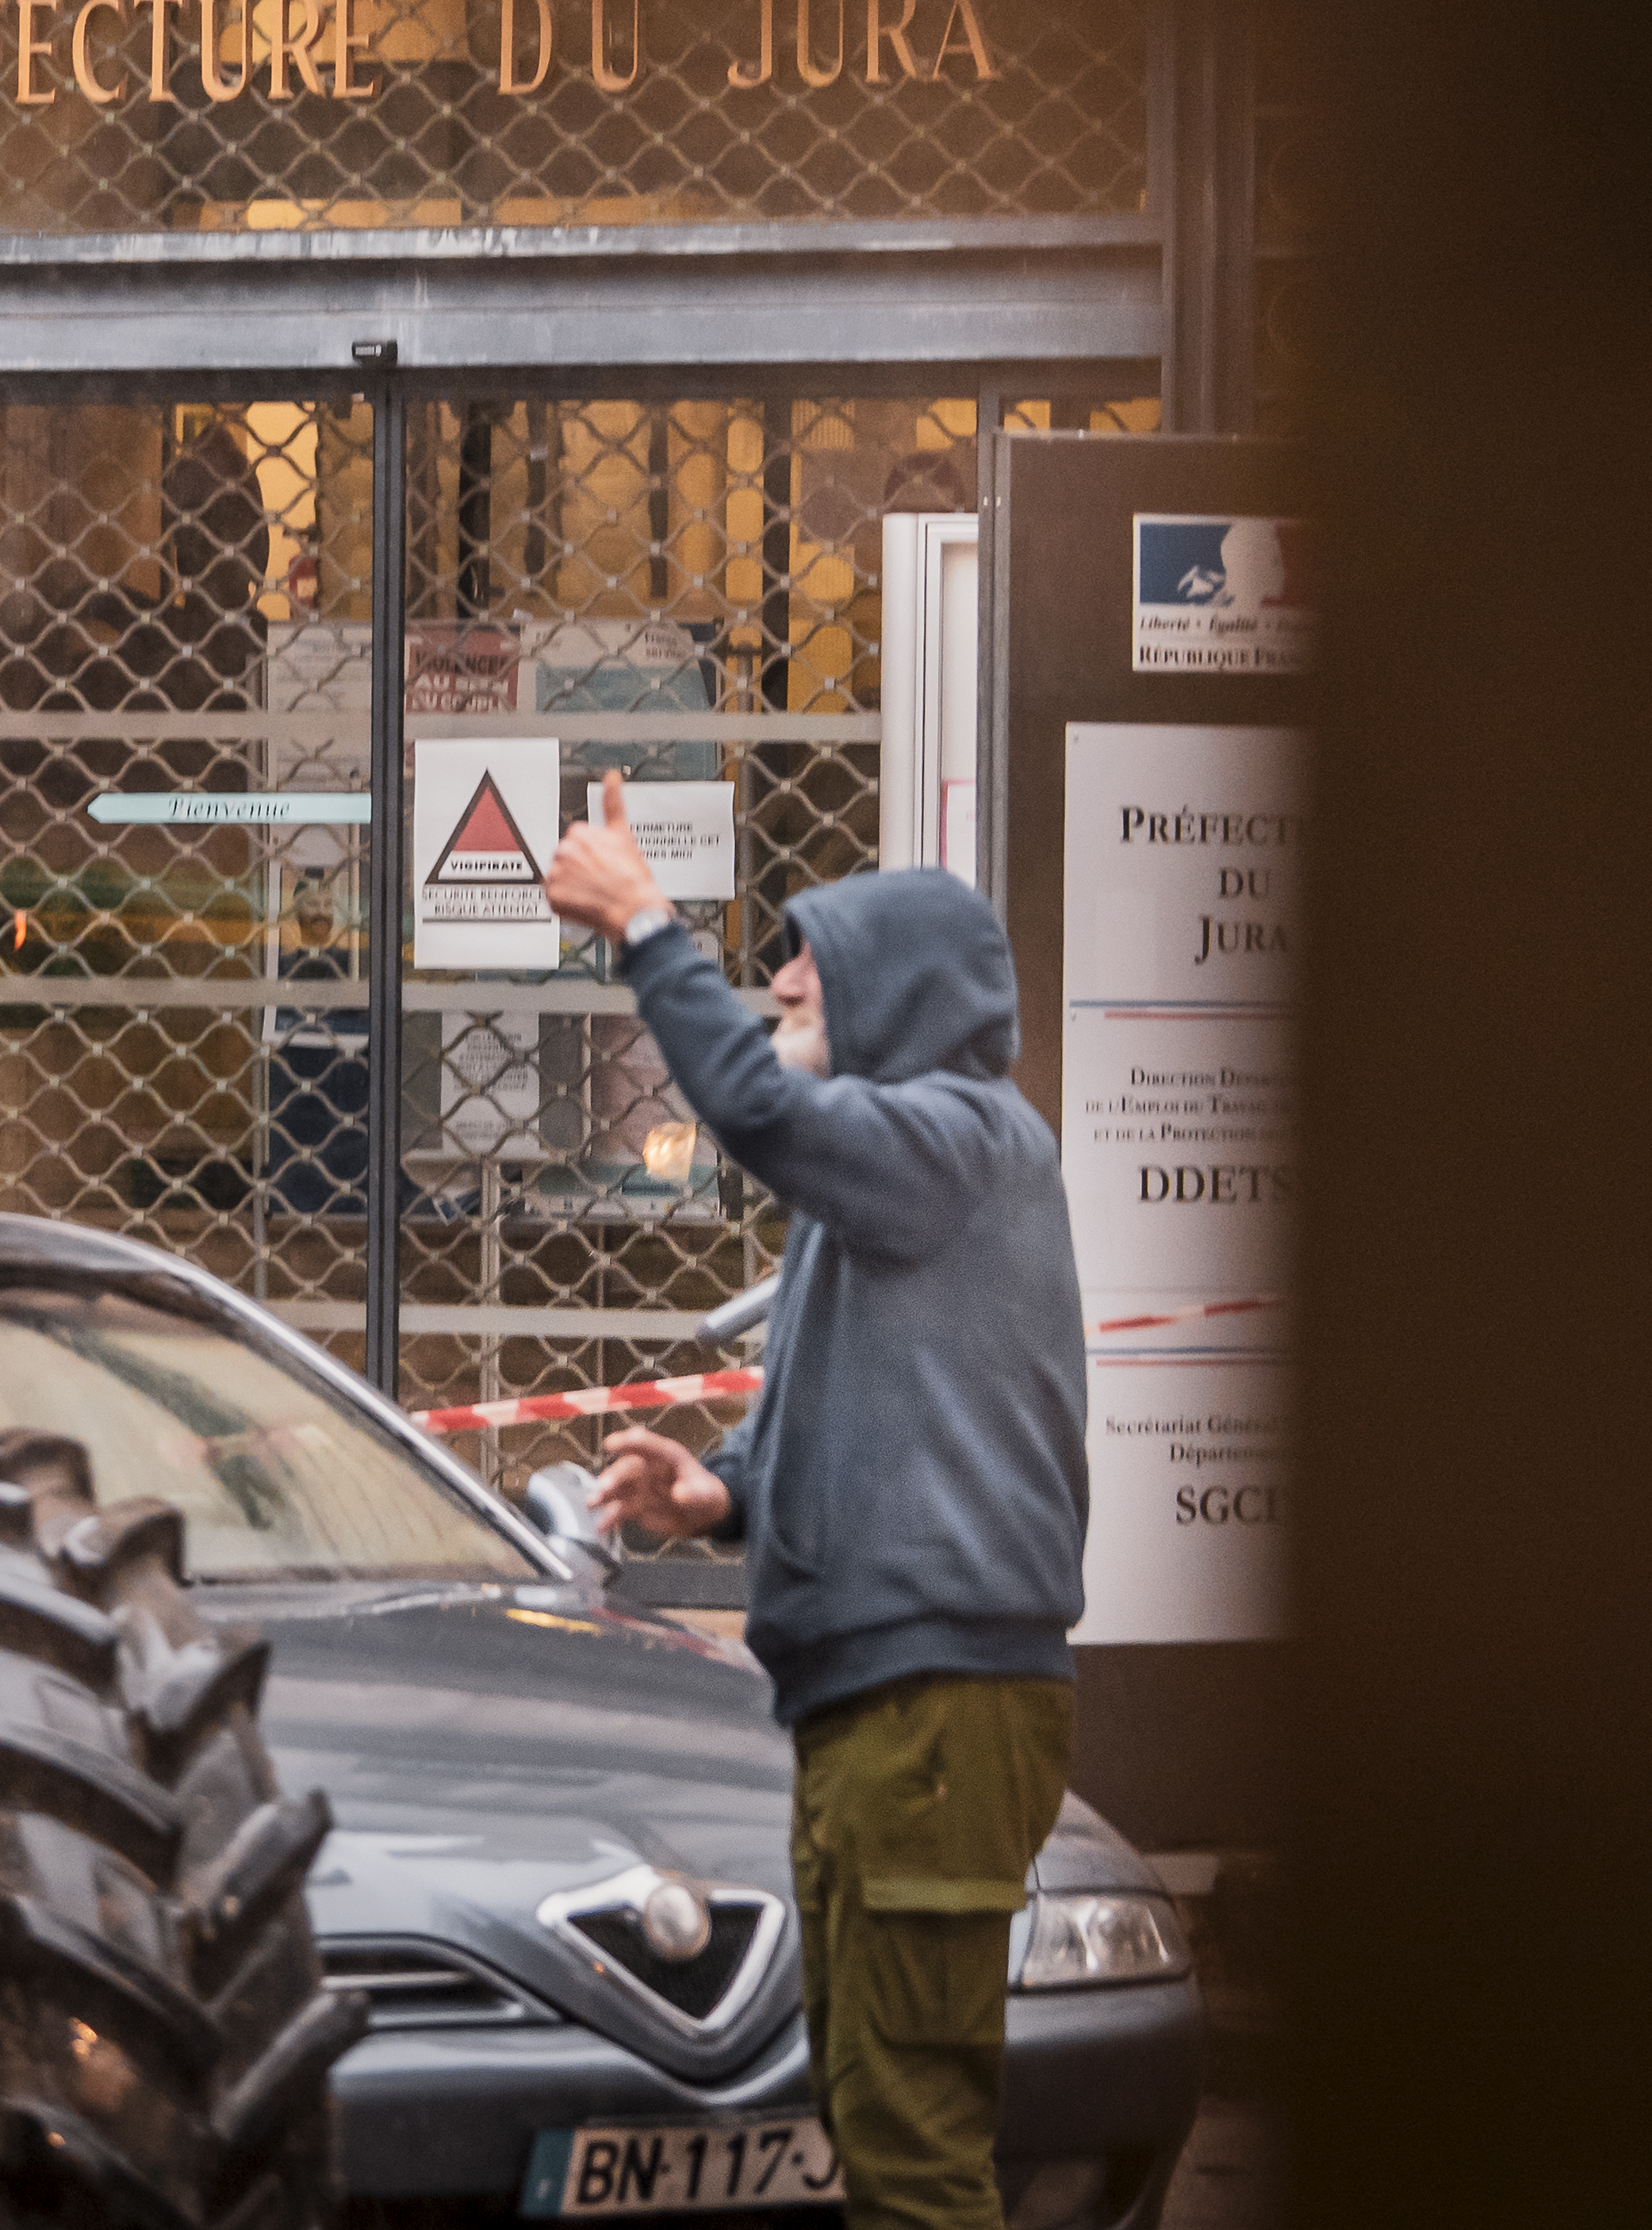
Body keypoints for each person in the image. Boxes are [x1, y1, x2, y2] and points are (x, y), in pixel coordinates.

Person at [547, 775, 1088, 2230]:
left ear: (898, 998)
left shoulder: (957, 1138)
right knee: (870, 2111)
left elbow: (754, 1104)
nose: (783, 975)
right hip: (891, 1706)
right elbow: (891, 1418)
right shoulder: (906, 1182)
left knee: (910, 2147)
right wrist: (722, 1488)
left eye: (813, 958)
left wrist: (648, 924)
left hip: (936, 1709)